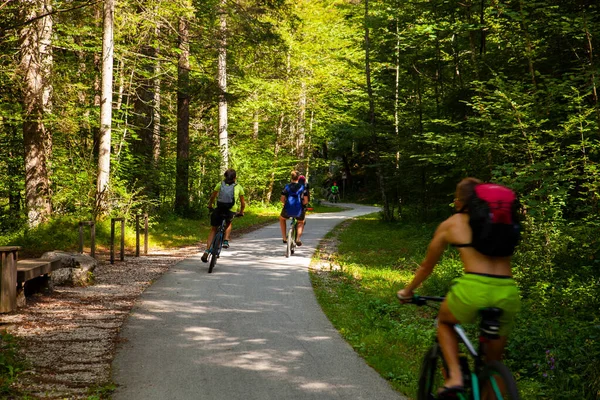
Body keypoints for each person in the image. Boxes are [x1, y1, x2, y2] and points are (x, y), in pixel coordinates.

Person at [397, 178, 521, 397]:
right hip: (508, 292)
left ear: (458, 202)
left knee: (444, 322)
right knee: (493, 366)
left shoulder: (453, 224)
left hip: (473, 289)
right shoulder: (498, 223)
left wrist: (408, 291)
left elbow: (426, 266)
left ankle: (454, 376)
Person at [201, 169, 245, 263]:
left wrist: (210, 205)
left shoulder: (220, 184)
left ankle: (207, 250)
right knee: (229, 223)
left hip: (219, 209)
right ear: (235, 177)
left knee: (213, 229)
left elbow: (213, 197)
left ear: (225, 176)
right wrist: (241, 212)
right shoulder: (238, 187)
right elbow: (242, 202)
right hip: (231, 210)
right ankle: (225, 240)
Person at [279, 170, 309, 246]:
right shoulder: (302, 187)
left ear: (291, 177)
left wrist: (285, 203)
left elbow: (282, 199)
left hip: (288, 209)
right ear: (298, 178)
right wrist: (301, 204)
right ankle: (298, 239)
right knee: (300, 222)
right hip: (299, 209)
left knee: (282, 219)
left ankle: (284, 238)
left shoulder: (287, 187)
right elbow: (305, 201)